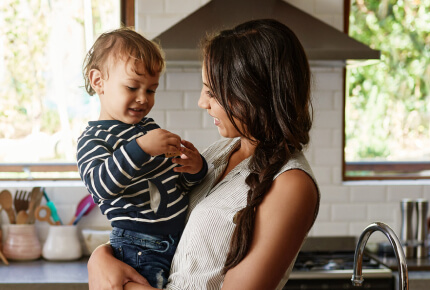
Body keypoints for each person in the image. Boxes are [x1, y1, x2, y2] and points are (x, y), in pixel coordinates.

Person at [87, 19, 320, 290]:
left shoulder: (291, 184)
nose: (202, 102)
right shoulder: (220, 152)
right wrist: (101, 256)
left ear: (254, 94)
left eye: (213, 92)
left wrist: (123, 285)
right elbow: (158, 230)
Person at [77, 27, 208, 289]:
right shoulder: (93, 140)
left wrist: (195, 169)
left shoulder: (148, 130)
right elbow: (102, 186)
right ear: (98, 81)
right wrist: (141, 148)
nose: (142, 99)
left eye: (151, 90)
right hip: (137, 248)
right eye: (132, 87)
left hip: (176, 243)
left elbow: (178, 187)